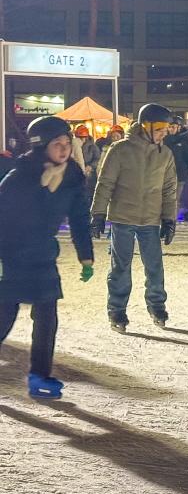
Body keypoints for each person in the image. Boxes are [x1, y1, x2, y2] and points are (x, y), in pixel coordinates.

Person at [0, 116, 94, 399]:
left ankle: (40, 374)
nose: (64, 150)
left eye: (67, 144)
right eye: (58, 144)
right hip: (13, 252)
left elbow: (78, 217)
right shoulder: (20, 176)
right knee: (5, 314)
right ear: (42, 147)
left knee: (47, 316)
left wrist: (85, 256)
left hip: (43, 253)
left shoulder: (72, 176)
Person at [91, 103, 178, 333]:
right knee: (121, 267)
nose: (163, 133)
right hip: (122, 218)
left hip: (151, 220)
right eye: (159, 128)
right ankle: (117, 310)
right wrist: (98, 213)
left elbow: (169, 189)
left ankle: (157, 306)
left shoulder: (165, 154)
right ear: (144, 126)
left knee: (155, 267)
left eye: (166, 129)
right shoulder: (120, 150)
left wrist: (169, 219)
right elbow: (105, 183)